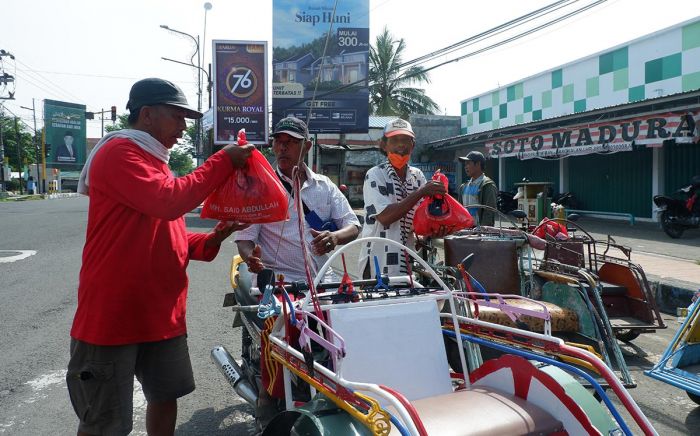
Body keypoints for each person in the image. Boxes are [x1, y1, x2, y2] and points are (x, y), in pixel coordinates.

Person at [67, 77, 254, 436]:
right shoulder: (119, 152)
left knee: (166, 397)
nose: (183, 129)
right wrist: (223, 161)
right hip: (113, 317)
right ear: (148, 115)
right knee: (105, 422)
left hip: (158, 314)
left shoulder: (156, 160)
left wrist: (212, 237)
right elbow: (168, 202)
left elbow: (163, 231)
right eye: (177, 117)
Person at [235, 116, 361, 283]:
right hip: (279, 281)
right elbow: (245, 238)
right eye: (278, 141)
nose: (282, 148)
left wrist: (335, 237)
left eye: (291, 142)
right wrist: (251, 258)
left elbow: (353, 225)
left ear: (307, 147)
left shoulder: (325, 185)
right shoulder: (259, 188)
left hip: (323, 278)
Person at [359, 118, 447, 278]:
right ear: (384, 145)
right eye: (395, 140)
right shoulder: (375, 174)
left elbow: (421, 219)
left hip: (408, 262)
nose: (401, 145)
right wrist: (421, 192)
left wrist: (431, 230)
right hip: (378, 261)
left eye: (406, 140)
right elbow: (385, 217)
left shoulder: (417, 176)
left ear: (413, 145)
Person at [458, 151, 498, 226]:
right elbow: (460, 211)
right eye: (465, 164)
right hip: (465, 230)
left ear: (478, 164)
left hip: (479, 232)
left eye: (468, 163)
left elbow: (489, 212)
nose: (465, 167)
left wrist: (482, 232)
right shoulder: (463, 187)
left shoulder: (488, 185)